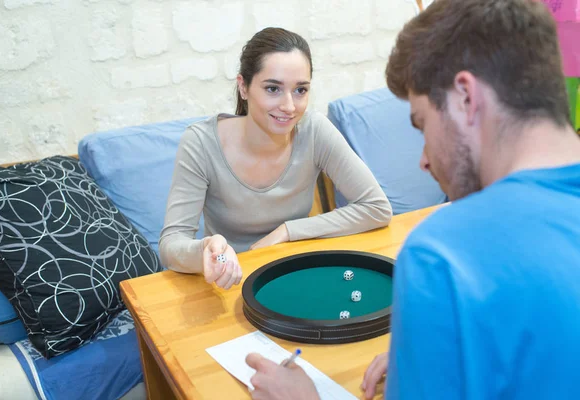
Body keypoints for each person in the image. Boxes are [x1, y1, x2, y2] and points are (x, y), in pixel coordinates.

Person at [246, 0, 580, 398]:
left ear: (465, 98)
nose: (424, 160)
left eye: (422, 123)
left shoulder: (442, 254)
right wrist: (432, 356)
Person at [159, 28, 392, 289]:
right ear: (243, 87)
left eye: (300, 90)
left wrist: (287, 231)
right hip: (228, 283)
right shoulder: (201, 143)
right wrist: (204, 251)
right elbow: (171, 244)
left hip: (293, 275)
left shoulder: (314, 130)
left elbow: (376, 208)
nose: (290, 106)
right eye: (273, 89)